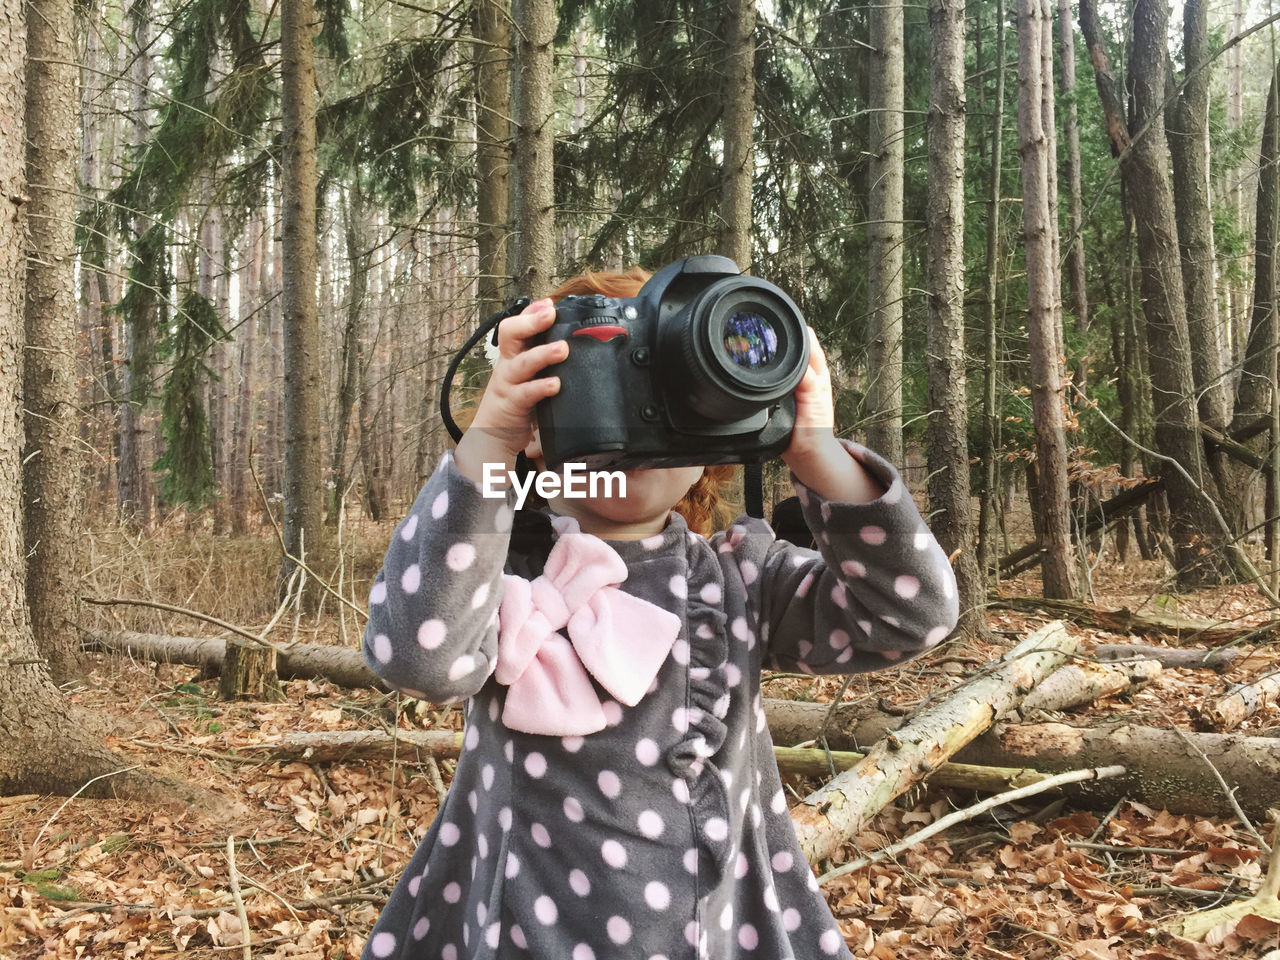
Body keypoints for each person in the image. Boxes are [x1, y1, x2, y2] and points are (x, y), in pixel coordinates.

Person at [359, 268, 959, 960]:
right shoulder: (493, 573)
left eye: (661, 394)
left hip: (713, 934)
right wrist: (489, 443)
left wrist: (817, 454)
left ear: (709, 441)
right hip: (514, 933)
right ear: (534, 435)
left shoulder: (741, 578)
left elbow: (912, 615)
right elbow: (418, 656)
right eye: (599, 384)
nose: (631, 423)